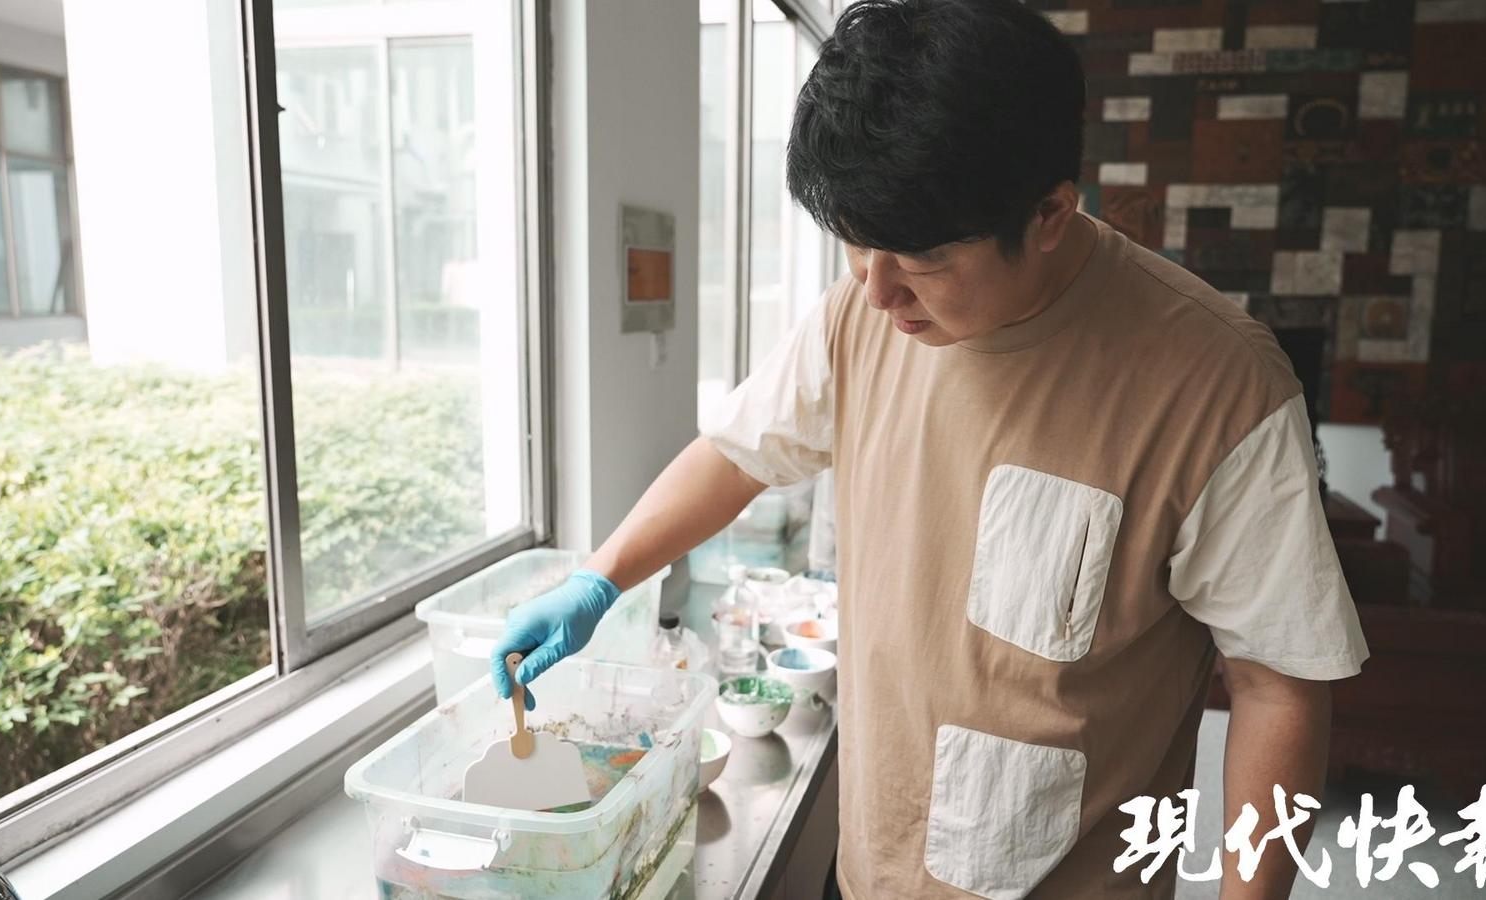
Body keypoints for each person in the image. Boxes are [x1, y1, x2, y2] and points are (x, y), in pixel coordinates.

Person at [490, 0, 1369, 896]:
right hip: (872, 868)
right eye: (854, 245)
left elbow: (1279, 686)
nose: (877, 292)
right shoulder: (861, 313)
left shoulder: (1220, 385)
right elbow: (739, 453)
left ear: (1050, 214)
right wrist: (598, 580)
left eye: (921, 259)